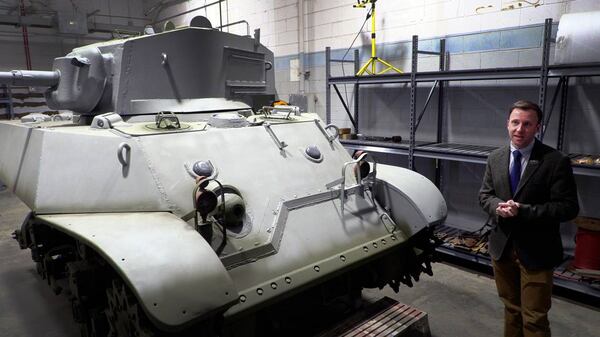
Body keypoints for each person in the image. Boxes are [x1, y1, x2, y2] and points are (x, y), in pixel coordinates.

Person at [479, 100, 579, 337]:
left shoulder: (555, 161)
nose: (519, 129)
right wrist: (497, 208)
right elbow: (485, 195)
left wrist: (524, 210)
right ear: (507, 124)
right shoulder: (496, 157)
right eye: (515, 122)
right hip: (502, 248)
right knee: (512, 310)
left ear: (538, 127)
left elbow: (568, 208)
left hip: (537, 251)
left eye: (527, 124)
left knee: (534, 317)